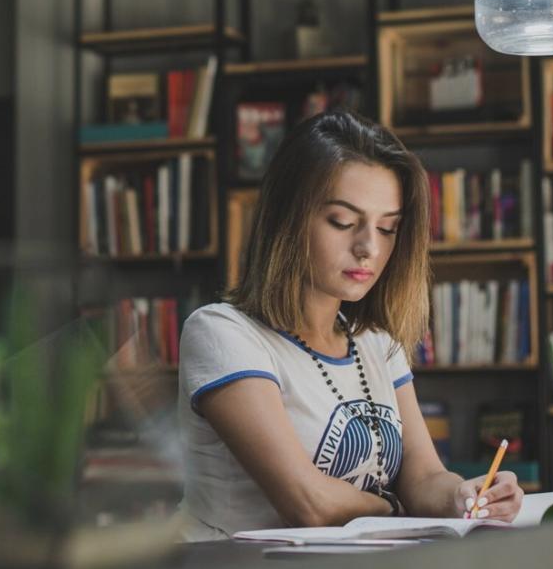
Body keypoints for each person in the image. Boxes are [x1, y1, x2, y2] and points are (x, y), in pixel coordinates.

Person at [177, 110, 523, 540]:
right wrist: (396, 506)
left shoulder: (376, 343)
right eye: (343, 222)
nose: (368, 248)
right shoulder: (222, 333)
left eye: (388, 228)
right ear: (287, 218)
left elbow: (424, 477)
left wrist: (463, 495)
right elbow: (308, 503)